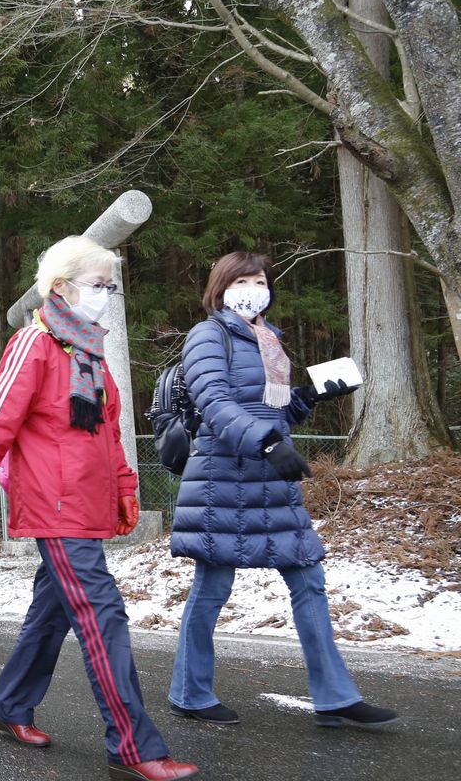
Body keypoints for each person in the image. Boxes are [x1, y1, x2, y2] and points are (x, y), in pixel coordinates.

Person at [0, 236, 197, 781]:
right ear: (60, 287)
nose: (106, 295)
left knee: (52, 609)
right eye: (97, 285)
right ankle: (132, 746)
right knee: (103, 616)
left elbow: (108, 437)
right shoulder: (34, 345)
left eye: (111, 286)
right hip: (54, 506)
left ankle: (10, 705)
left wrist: (126, 487)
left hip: (86, 504)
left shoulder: (90, 354)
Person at [168, 252, 398, 730]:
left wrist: (310, 397)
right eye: (242, 280)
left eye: (259, 280)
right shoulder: (207, 336)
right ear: (220, 287)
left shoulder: (269, 340)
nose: (253, 287)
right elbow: (214, 403)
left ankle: (335, 697)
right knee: (213, 587)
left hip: (273, 480)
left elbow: (276, 413)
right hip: (222, 481)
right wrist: (269, 444)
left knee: (308, 579)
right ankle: (189, 692)